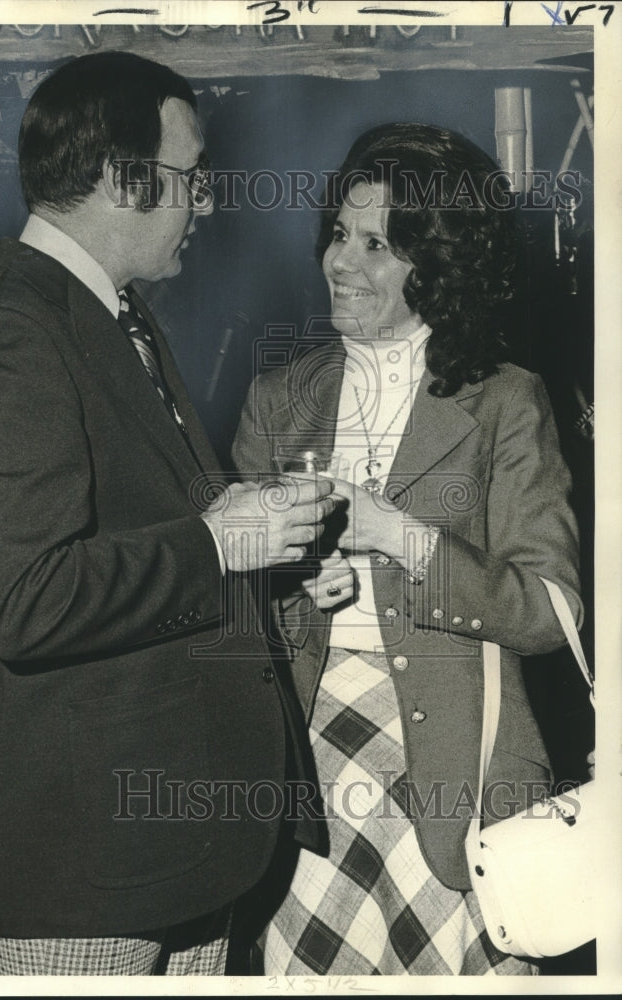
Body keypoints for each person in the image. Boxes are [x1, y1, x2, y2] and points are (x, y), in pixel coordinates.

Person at [0, 51, 337, 976]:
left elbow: (143, 527)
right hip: (82, 868)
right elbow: (25, 601)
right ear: (123, 178)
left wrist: (259, 536)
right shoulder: (9, 334)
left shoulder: (115, 315)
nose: (205, 202)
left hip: (172, 858)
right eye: (192, 179)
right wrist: (219, 539)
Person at [231, 122, 582, 975]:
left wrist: (399, 536)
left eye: (378, 244)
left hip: (457, 783)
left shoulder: (503, 400)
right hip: (308, 785)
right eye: (339, 236)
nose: (341, 263)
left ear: (440, 264)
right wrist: (290, 583)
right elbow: (227, 604)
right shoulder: (280, 397)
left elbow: (552, 613)